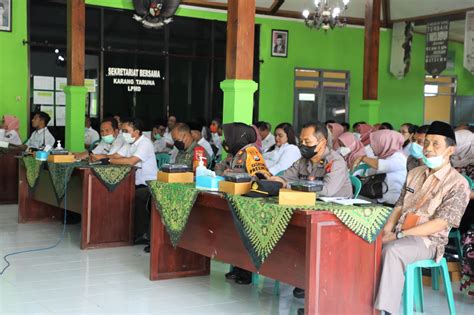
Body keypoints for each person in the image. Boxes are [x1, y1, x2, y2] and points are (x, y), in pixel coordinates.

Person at [374, 121, 470, 315]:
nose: (428, 149)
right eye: (426, 143)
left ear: (451, 150)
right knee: (366, 243)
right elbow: (400, 205)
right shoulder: (415, 173)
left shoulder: (458, 184)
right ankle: (358, 303)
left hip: (428, 241)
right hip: (400, 231)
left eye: (436, 144)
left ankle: (385, 311)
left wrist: (398, 235)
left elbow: (440, 223)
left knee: (393, 251)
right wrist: (388, 229)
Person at [217, 123, 271, 285]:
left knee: (245, 232)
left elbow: (260, 176)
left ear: (238, 137)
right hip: (236, 196)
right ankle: (238, 266)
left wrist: (232, 173)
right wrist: (226, 171)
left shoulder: (252, 152)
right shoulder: (236, 153)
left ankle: (247, 270)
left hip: (250, 201)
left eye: (229, 136)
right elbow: (219, 169)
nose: (226, 140)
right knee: (234, 232)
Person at [101, 118, 158, 253]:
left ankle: (143, 234)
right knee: (115, 191)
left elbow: (131, 161)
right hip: (132, 182)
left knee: (135, 196)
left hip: (148, 184)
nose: (123, 133)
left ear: (136, 132)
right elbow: (117, 155)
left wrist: (108, 160)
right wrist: (102, 158)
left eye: (126, 131)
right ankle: (121, 232)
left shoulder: (145, 143)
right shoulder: (129, 143)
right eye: (122, 131)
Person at [269, 122, 352, 198]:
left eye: (307, 141)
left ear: (322, 143)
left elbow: (327, 190)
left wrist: (288, 185)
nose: (302, 145)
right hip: (309, 203)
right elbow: (286, 178)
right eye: (301, 141)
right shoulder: (303, 160)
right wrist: (278, 180)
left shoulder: (336, 162)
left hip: (336, 209)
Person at [352, 130, 407, 206]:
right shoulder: (387, 156)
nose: (372, 147)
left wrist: (363, 158)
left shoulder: (399, 158)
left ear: (384, 144)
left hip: (393, 202)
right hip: (381, 199)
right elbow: (372, 171)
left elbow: (381, 166)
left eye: (375, 144)